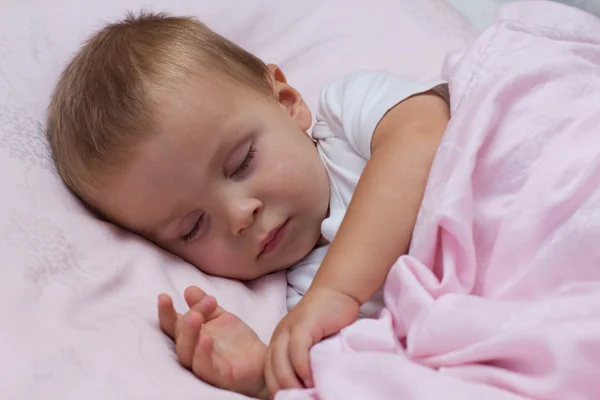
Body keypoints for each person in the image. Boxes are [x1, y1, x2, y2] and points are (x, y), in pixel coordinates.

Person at [46, 12, 450, 399]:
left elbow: (423, 138)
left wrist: (338, 290)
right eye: (193, 227)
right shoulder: (302, 297)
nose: (240, 215)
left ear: (287, 102)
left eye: (242, 162)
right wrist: (267, 374)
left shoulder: (350, 116)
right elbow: (377, 375)